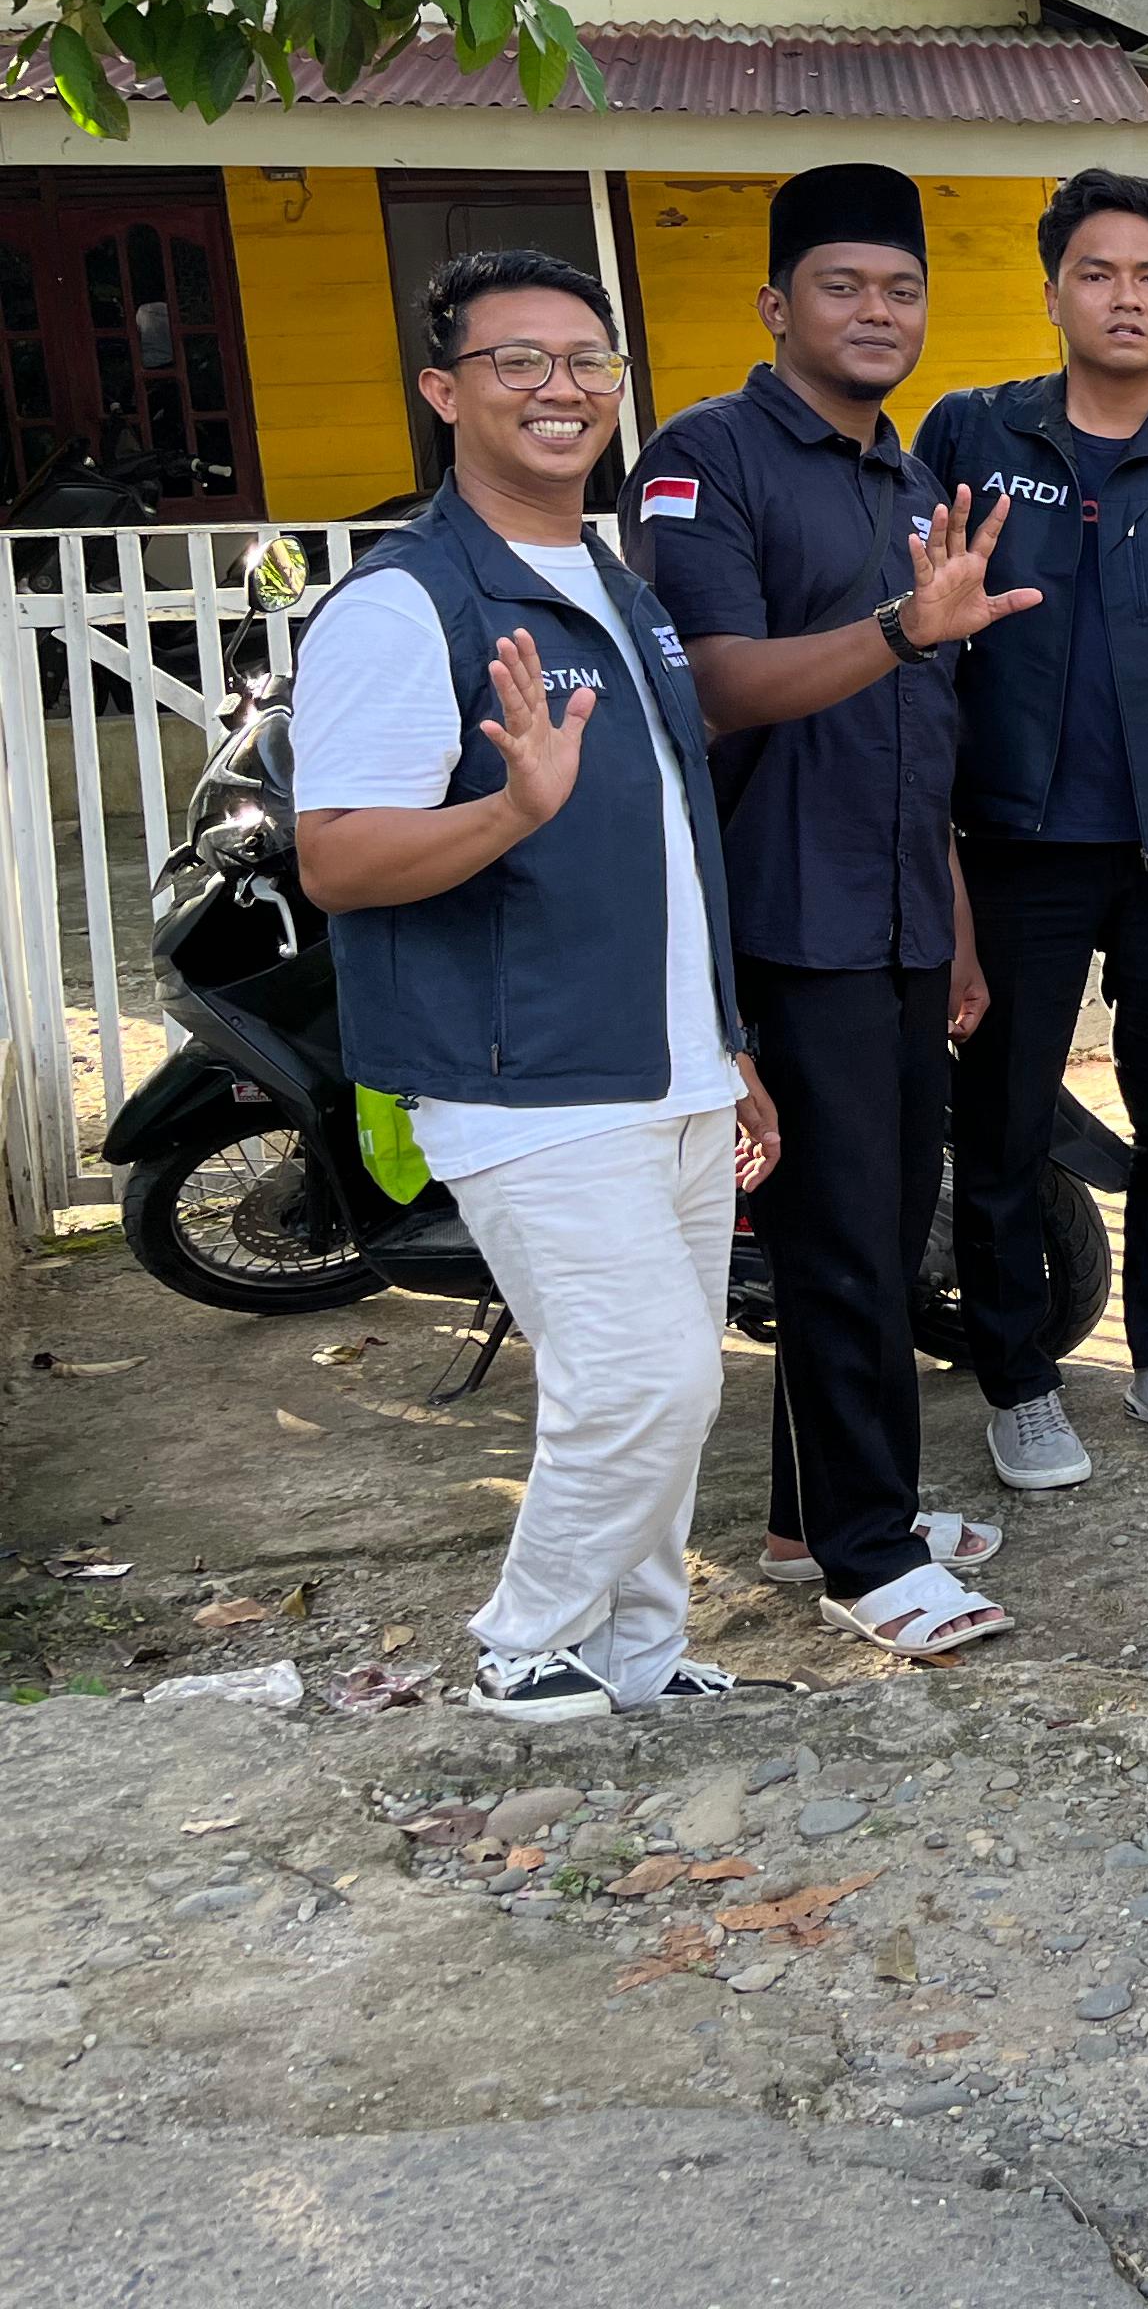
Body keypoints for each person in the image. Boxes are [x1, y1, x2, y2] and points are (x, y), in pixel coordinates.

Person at [291, 250, 779, 1720]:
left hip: (670, 1059)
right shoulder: (406, 605)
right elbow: (338, 859)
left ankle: (633, 1657)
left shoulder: (618, 585)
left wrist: (733, 1045)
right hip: (523, 1073)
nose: (562, 389)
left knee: (655, 1389)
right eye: (519, 362)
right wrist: (508, 814)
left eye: (588, 362)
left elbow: (680, 852)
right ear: (445, 392)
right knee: (648, 1387)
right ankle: (527, 1637)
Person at [628, 164, 1027, 1659]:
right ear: (775, 304)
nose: (878, 312)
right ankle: (871, 1556)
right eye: (845, 286)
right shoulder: (707, 457)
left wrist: (961, 927)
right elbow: (715, 680)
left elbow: (926, 731)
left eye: (902, 288)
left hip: (902, 918)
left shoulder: (914, 479)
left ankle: (815, 1513)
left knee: (871, 1222)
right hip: (782, 915)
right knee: (846, 1242)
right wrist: (894, 628)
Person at [913, 168, 1148, 1492]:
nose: (1125, 297)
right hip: (1023, 837)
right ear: (1052, 292)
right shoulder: (975, 432)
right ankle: (1019, 1381)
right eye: (1098, 272)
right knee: (1009, 1123)